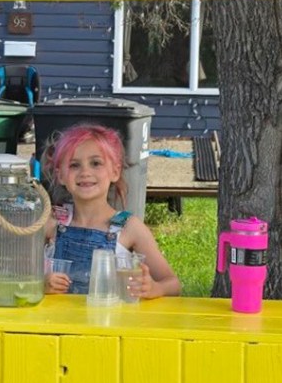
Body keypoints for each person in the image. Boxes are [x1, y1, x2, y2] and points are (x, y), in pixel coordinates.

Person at [42, 123, 182, 299]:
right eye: (74, 165)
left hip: (110, 323)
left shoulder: (129, 227)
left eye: (96, 163)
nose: (85, 172)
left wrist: (154, 289)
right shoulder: (51, 221)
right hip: (55, 325)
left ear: (115, 171)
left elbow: (172, 283)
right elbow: (19, 274)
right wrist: (41, 283)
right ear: (61, 175)